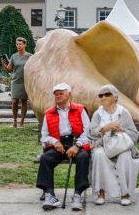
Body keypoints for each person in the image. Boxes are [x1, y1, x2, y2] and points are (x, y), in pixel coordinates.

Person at [36, 83, 91, 211]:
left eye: (61, 94)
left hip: (76, 142)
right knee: (45, 158)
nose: (58, 96)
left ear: (69, 95)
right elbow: (44, 135)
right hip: (58, 145)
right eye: (56, 94)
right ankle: (50, 195)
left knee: (83, 157)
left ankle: (77, 194)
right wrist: (55, 142)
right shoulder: (49, 113)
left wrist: (77, 146)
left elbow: (88, 131)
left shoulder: (80, 109)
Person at [89, 84, 139, 206]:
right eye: (100, 95)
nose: (103, 97)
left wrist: (121, 130)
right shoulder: (98, 114)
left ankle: (125, 194)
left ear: (115, 97)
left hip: (121, 146)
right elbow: (91, 134)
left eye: (107, 94)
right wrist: (105, 128)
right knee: (98, 154)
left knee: (125, 156)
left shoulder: (123, 112)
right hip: (103, 146)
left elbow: (134, 135)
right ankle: (101, 193)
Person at [2, 37, 32, 128]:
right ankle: (14, 121)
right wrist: (4, 64)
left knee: (24, 101)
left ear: (25, 44)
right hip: (16, 81)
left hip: (26, 81)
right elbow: (9, 69)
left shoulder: (30, 56)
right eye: (17, 44)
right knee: (14, 101)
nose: (18, 46)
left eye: (20, 44)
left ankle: (22, 122)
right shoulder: (14, 56)